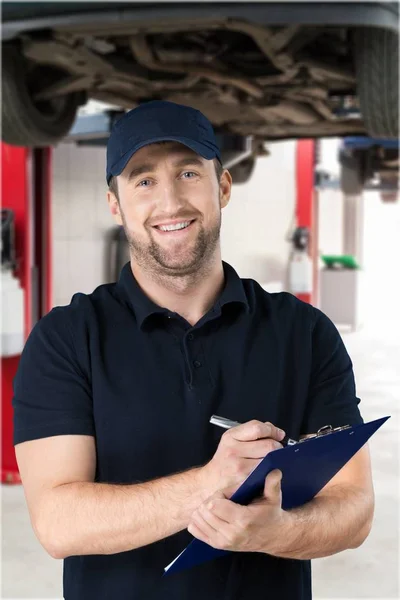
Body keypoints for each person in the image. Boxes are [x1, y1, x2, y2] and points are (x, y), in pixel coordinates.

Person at [12, 100, 374, 600]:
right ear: (115, 204)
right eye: (143, 181)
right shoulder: (67, 339)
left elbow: (353, 506)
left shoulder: (304, 332)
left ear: (222, 187)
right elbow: (58, 523)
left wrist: (277, 534)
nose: (170, 202)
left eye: (187, 172)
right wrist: (210, 483)